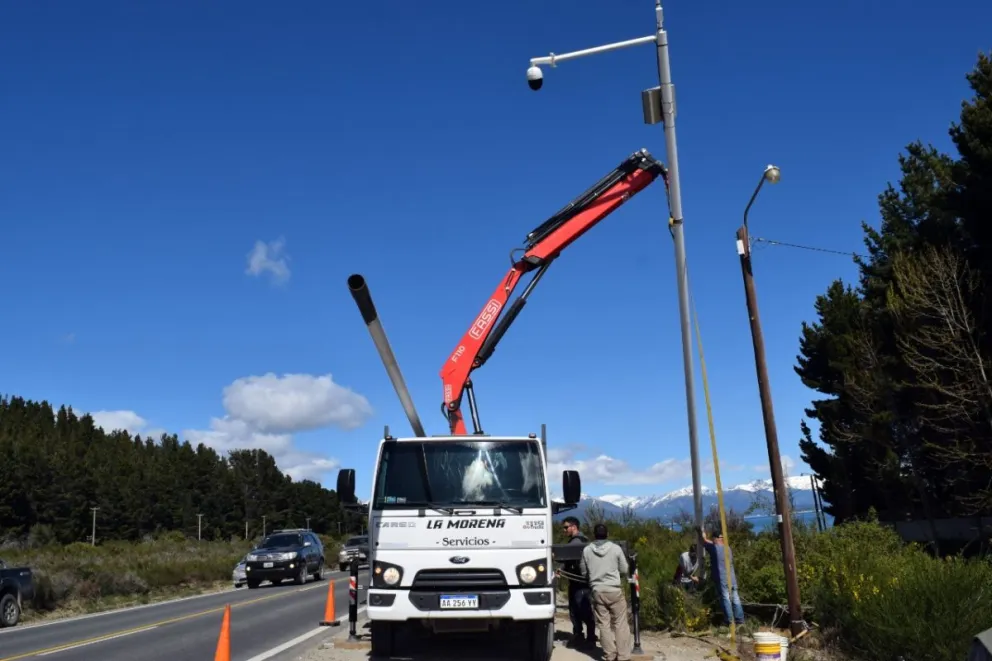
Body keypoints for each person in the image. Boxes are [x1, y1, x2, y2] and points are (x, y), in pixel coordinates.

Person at [580, 523, 631, 661]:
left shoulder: (587, 550)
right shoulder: (615, 548)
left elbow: (584, 571)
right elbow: (625, 569)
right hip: (614, 590)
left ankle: (610, 654)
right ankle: (623, 656)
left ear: (594, 535)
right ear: (607, 534)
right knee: (620, 623)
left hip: (597, 591)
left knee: (604, 624)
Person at [558, 516, 595, 647]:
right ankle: (586, 636)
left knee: (579, 610)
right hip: (581, 582)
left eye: (566, 527)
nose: (564, 530)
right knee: (580, 609)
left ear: (574, 527)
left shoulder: (575, 543)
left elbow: (566, 559)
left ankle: (584, 637)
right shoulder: (585, 540)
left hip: (579, 582)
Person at [700, 527, 745, 627]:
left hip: (722, 579)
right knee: (735, 598)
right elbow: (713, 544)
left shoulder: (713, 549)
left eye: (713, 539)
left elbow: (704, 542)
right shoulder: (728, 548)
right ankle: (740, 621)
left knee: (726, 599)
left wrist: (702, 533)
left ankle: (729, 621)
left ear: (715, 539)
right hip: (732, 578)